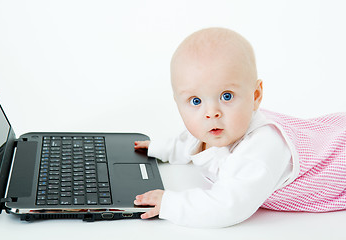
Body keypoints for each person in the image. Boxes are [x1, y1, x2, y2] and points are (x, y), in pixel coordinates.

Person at [133, 27, 346, 228]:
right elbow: (190, 140)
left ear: (255, 96)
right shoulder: (217, 127)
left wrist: (170, 204)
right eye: (195, 101)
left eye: (226, 96)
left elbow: (227, 206)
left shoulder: (260, 149)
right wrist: (158, 149)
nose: (211, 113)